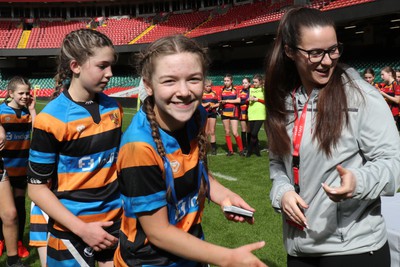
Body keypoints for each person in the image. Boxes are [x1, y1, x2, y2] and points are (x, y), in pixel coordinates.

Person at [114, 35, 267, 267]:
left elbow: (197, 170)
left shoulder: (197, 116)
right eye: (169, 81)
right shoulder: (139, 147)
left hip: (192, 252)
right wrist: (228, 258)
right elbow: (158, 233)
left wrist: (222, 194)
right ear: (148, 85)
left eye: (193, 79)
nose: (184, 91)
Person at [265, 6, 400, 267]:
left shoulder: (361, 97)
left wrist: (358, 182)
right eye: (315, 52)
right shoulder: (284, 100)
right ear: (290, 51)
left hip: (355, 250)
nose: (327, 60)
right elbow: (277, 164)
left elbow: (393, 163)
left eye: (333, 49)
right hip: (300, 249)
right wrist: (281, 192)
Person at [27, 28, 123, 267]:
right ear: (75, 66)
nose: (110, 73)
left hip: (116, 223)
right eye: (102, 66)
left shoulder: (114, 109)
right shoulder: (50, 120)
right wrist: (82, 229)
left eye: (111, 66)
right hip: (72, 231)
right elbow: (37, 189)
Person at [0, 76, 36, 260]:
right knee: (4, 210)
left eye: (27, 93)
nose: (24, 96)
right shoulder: (1, 112)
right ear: (11, 93)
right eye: (20, 93)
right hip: (3, 169)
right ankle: (1, 240)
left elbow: (39, 134)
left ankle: (18, 242)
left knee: (20, 206)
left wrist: (32, 110)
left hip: (22, 167)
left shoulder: (28, 114)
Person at [220, 74, 245, 156]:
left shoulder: (236, 89)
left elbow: (238, 100)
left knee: (235, 132)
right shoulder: (222, 90)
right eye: (225, 81)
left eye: (227, 80)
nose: (226, 82)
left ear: (231, 81)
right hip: (224, 112)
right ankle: (230, 151)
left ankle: (241, 150)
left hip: (234, 112)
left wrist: (226, 101)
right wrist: (220, 105)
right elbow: (220, 101)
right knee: (227, 132)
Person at [246, 74, 266, 157]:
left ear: (260, 82)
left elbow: (267, 101)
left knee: (254, 133)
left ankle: (249, 150)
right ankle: (257, 151)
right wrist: (248, 100)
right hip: (251, 113)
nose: (254, 83)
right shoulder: (251, 89)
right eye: (253, 82)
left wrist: (257, 99)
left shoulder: (263, 89)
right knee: (253, 134)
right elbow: (247, 101)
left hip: (260, 114)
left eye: (256, 82)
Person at [201, 79, 219, 155]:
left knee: (212, 131)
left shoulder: (214, 93)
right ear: (204, 86)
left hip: (212, 113)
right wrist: (206, 104)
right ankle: (205, 147)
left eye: (210, 86)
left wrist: (213, 106)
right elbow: (199, 104)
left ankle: (213, 148)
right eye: (207, 86)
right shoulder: (201, 94)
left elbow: (218, 103)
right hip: (204, 114)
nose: (209, 87)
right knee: (206, 132)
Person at [379, 66, 400, 130]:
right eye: (381, 75)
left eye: (383, 74)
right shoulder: (384, 84)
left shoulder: (396, 84)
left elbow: (397, 100)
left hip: (393, 114)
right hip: (385, 113)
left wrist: (383, 94)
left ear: (390, 74)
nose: (381, 77)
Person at [239, 77, 250, 154]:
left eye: (246, 83)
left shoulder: (252, 91)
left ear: (249, 83)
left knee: (249, 130)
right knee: (243, 130)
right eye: (243, 83)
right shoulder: (240, 92)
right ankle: (244, 147)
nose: (244, 84)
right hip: (242, 112)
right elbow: (239, 101)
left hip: (250, 112)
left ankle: (250, 145)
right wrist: (245, 101)